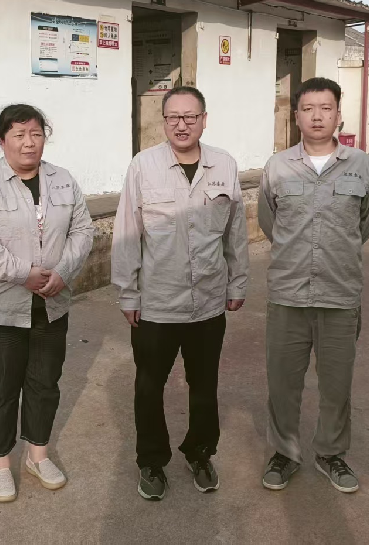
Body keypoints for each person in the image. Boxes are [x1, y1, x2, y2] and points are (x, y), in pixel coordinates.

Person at [111, 85, 249, 501]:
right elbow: (127, 232)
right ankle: (151, 461)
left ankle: (200, 452)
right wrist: (128, 293)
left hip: (208, 301)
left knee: (204, 386)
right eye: (174, 117)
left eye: (191, 116)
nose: (182, 125)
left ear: (204, 120)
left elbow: (235, 232)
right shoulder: (143, 166)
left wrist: (237, 281)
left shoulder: (224, 165)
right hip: (157, 302)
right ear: (164, 121)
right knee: (149, 387)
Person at [0, 104, 94, 503]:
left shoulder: (63, 181)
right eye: (18, 135)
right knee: (0, 388)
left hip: (52, 302)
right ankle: (1, 464)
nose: (28, 143)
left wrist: (62, 272)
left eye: (35, 133)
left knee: (44, 383)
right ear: (2, 141)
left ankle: (37, 456)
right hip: (0, 307)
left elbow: (83, 230)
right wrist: (23, 273)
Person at [257, 77, 369, 494]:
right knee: (283, 383)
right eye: (308, 109)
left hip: (339, 293)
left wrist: (335, 251)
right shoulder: (277, 167)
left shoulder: (361, 165)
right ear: (296, 116)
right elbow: (270, 223)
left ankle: (330, 453)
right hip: (287, 295)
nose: (316, 116)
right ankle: (285, 452)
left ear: (338, 114)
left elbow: (366, 222)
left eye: (325, 108)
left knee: (336, 385)